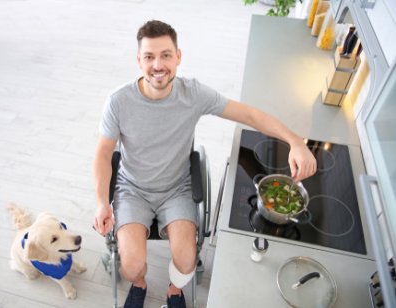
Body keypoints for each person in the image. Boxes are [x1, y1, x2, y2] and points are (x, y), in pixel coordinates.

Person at [93, 20, 317, 308]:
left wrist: (295, 141)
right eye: (149, 57)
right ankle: (139, 284)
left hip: (177, 188)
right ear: (139, 60)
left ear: (178, 57)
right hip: (132, 188)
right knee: (131, 265)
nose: (157, 65)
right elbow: (103, 154)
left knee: (187, 260)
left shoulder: (193, 94)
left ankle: (175, 291)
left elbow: (249, 115)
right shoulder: (118, 101)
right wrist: (102, 202)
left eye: (165, 55)